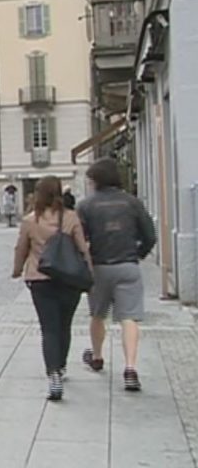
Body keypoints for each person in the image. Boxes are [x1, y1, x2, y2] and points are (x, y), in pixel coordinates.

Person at [77, 158, 157, 392]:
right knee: (129, 317)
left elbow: (80, 239)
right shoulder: (132, 203)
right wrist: (138, 254)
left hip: (99, 266)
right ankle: (131, 368)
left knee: (97, 314)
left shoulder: (86, 205)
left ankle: (98, 356)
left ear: (96, 181)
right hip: (128, 265)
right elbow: (150, 235)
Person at [13, 176, 91, 401]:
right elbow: (82, 248)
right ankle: (62, 366)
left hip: (40, 279)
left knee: (49, 328)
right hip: (69, 279)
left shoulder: (30, 220)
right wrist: (90, 274)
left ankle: (53, 374)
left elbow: (21, 249)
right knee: (64, 325)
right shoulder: (70, 218)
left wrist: (17, 270)